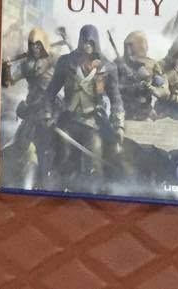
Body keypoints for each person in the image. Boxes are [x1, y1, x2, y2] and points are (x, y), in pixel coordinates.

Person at [46, 23, 125, 183]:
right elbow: (50, 92)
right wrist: (47, 114)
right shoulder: (66, 62)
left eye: (91, 42)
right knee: (61, 160)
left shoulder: (107, 67)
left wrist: (119, 125)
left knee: (93, 164)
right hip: (68, 121)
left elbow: (116, 98)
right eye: (85, 42)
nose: (88, 45)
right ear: (80, 41)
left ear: (96, 43)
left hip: (93, 123)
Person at [0, 27, 56, 180]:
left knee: (46, 147)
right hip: (32, 110)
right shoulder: (27, 64)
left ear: (43, 45)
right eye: (32, 45)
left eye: (38, 45)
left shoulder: (54, 59)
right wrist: (6, 68)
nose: (35, 48)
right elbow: (8, 82)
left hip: (50, 110)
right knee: (24, 145)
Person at [114, 31, 165, 121]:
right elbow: (112, 86)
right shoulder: (118, 62)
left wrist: (151, 87)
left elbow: (161, 87)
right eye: (127, 46)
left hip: (144, 109)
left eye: (131, 46)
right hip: (125, 109)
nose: (129, 49)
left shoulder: (151, 63)